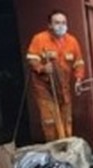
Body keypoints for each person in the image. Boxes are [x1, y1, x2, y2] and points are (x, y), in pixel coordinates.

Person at [26, 10, 86, 142]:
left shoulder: (72, 41)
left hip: (63, 87)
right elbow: (32, 59)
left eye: (64, 23)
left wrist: (78, 79)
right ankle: (54, 146)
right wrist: (42, 68)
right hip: (44, 87)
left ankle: (67, 144)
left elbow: (79, 63)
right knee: (50, 120)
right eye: (57, 23)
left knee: (66, 118)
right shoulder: (39, 39)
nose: (61, 26)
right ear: (50, 25)